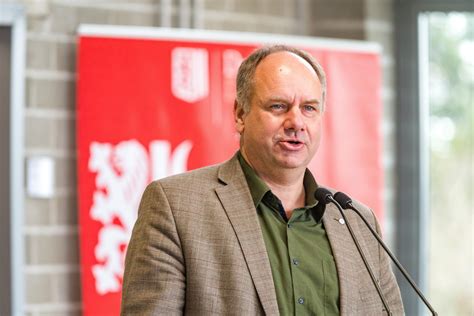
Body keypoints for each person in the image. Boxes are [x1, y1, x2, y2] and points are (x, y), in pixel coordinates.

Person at [121, 45, 404, 315]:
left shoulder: (357, 222)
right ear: (240, 114)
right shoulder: (176, 207)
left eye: (309, 108)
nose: (296, 122)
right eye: (279, 106)